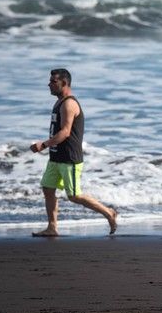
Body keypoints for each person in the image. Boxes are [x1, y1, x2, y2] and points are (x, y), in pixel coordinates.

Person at [30, 68, 117, 237]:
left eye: (53, 81)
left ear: (65, 83)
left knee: (74, 196)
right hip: (56, 157)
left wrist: (44, 145)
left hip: (69, 158)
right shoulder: (59, 102)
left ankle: (109, 212)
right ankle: (52, 227)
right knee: (48, 188)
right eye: (50, 81)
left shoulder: (69, 103)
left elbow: (65, 132)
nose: (49, 84)